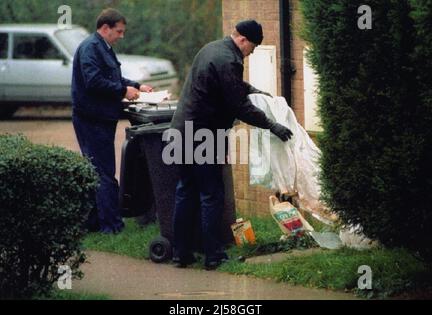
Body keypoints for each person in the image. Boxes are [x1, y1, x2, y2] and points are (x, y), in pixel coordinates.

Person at [170, 19, 293, 269]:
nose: (252, 52)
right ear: (243, 40)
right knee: (211, 195)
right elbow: (240, 107)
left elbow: (231, 87)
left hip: (181, 129)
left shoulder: (212, 48)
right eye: (253, 47)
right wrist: (272, 125)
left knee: (186, 191)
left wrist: (254, 90)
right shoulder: (230, 60)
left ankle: (180, 253)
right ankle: (214, 256)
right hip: (203, 135)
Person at [71, 8, 152, 234]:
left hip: (100, 118)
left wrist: (136, 86)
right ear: (105, 28)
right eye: (119, 31)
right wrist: (122, 90)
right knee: (104, 173)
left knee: (97, 170)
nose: (121, 36)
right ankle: (111, 226)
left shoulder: (102, 47)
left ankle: (94, 222)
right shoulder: (91, 48)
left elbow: (112, 77)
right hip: (92, 119)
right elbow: (94, 81)